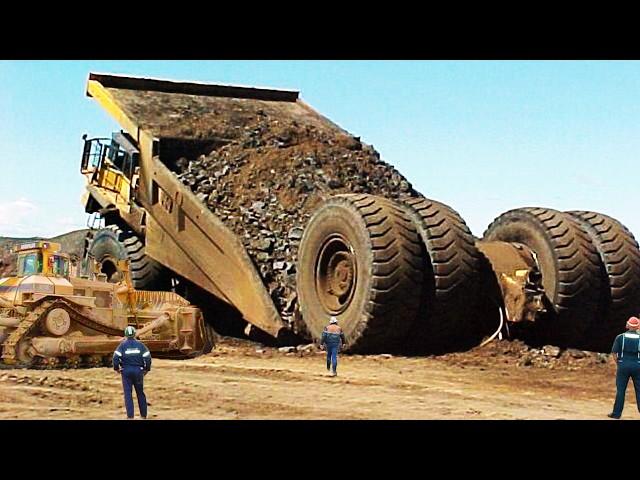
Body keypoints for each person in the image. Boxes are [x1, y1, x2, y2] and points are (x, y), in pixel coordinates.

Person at [113, 326, 152, 419]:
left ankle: (130, 416)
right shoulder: (141, 345)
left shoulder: (122, 345)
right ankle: (143, 415)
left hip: (126, 372)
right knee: (140, 393)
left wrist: (117, 368)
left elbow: (115, 358)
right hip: (138, 371)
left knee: (128, 394)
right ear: (134, 334)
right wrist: (147, 369)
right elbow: (148, 358)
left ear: (125, 335)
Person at [608, 316, 640, 419]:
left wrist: (619, 363)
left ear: (628, 325)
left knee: (621, 390)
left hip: (623, 364)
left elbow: (614, 352)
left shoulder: (620, 337)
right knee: (639, 390)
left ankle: (616, 413)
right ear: (637, 327)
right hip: (637, 365)